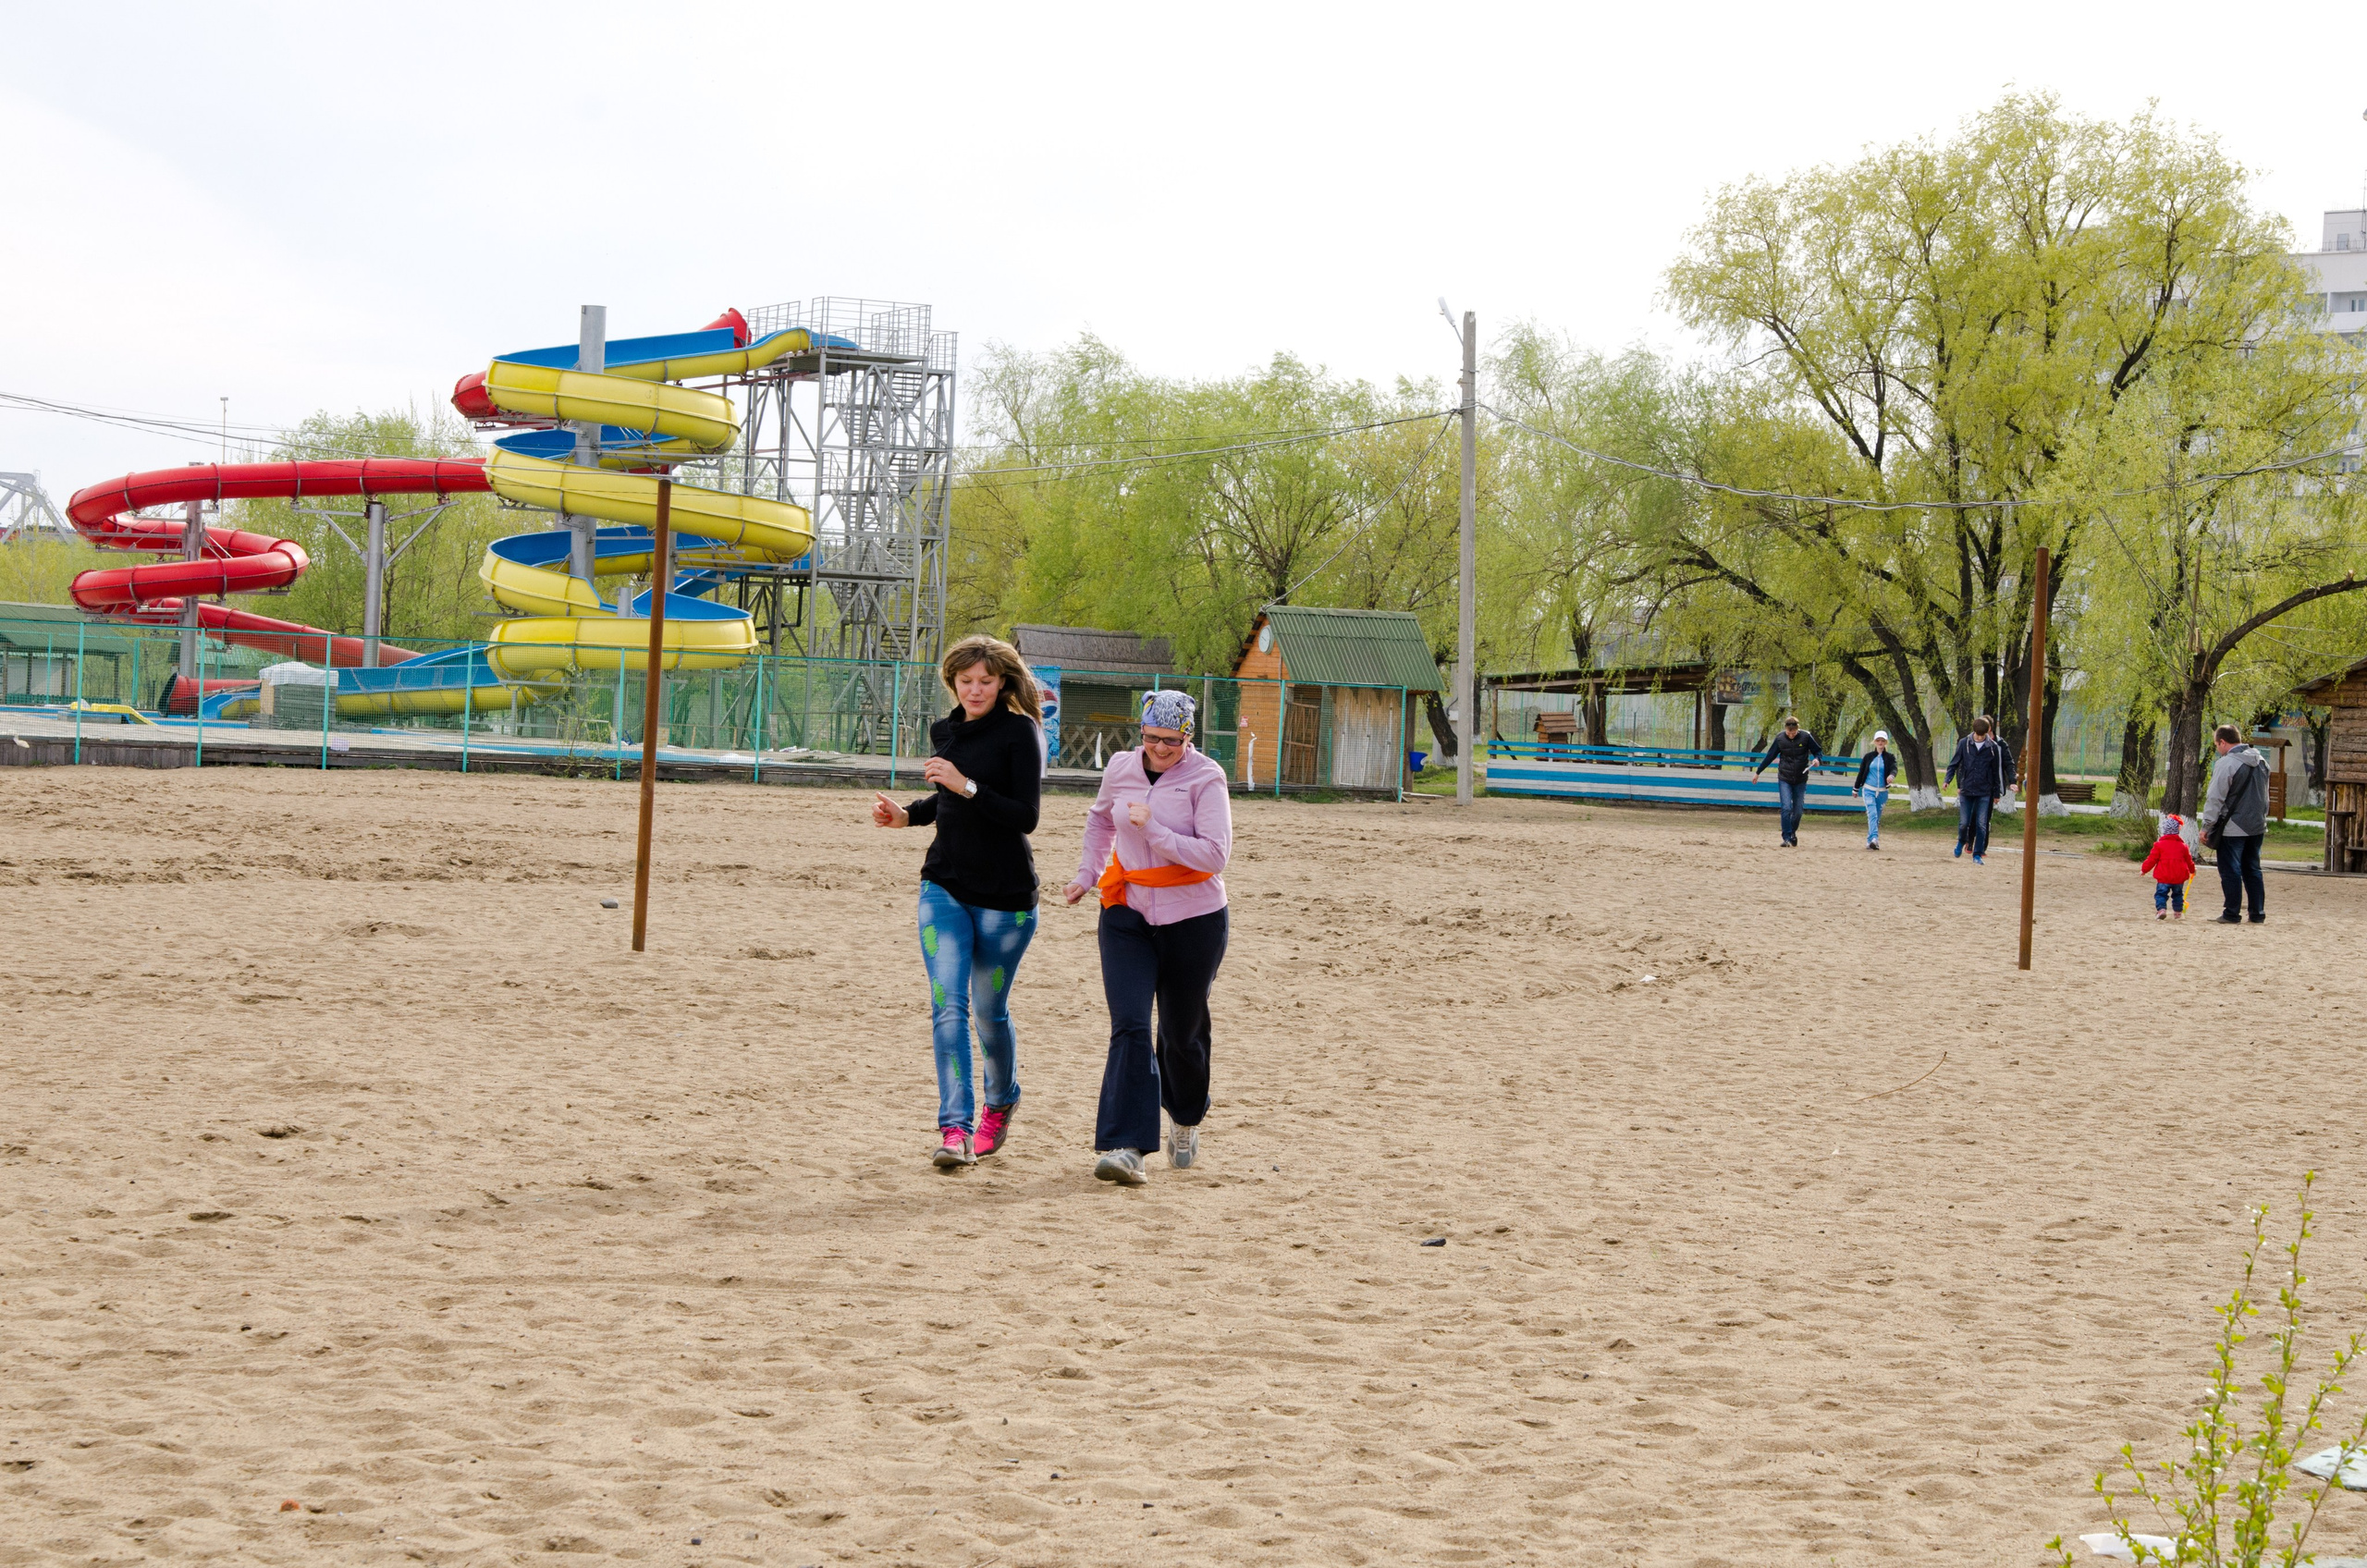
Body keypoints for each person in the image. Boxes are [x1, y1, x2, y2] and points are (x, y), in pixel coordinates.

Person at [869, 634, 1046, 1170]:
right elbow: (946, 800)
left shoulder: (1021, 733)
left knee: (989, 1013)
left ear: (1003, 683)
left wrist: (966, 786)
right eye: (966, 681)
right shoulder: (944, 731)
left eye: (986, 681)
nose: (975, 690)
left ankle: (1002, 1100)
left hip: (1007, 900)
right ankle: (954, 1131)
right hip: (942, 884)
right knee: (949, 1008)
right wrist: (908, 816)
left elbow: (1025, 816)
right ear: (953, 681)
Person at [1062, 690, 1233, 1187]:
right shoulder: (1119, 767)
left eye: (1171, 741)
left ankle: (1185, 1117)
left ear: (1188, 737)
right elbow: (1099, 820)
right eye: (1152, 738)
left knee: (1181, 1034)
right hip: (1126, 912)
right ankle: (1126, 1146)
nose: (1159, 749)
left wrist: (1155, 829)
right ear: (1141, 732)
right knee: (1131, 1025)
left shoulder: (1207, 778)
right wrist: (1087, 873)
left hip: (1194, 918)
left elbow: (1214, 856)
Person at [2199, 724, 2271, 925]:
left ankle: (2231, 913)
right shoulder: (2262, 761)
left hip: (2233, 827)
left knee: (2230, 870)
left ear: (2223, 742)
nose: (2217, 749)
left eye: (2216, 745)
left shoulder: (2227, 763)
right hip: (2256, 825)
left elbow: (2215, 798)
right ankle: (2257, 914)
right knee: (2253, 869)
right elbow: (2265, 797)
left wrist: (2207, 826)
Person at [1944, 716, 2014, 865]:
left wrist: (1996, 793)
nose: (1981, 738)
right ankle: (1961, 841)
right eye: (1979, 735)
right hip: (1967, 790)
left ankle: (1977, 854)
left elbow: (1995, 772)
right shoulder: (1964, 743)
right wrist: (1947, 780)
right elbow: (1954, 764)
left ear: (1988, 731)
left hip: (1984, 792)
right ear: (1974, 731)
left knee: (1982, 825)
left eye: (1983, 735)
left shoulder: (1993, 747)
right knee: (1964, 823)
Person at [1751, 716, 1822, 846]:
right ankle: (1786, 838)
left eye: (1793, 732)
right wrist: (1758, 772)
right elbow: (1770, 756)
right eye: (1789, 732)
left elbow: (1818, 751)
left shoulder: (1806, 737)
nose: (1791, 735)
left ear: (1798, 729)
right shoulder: (1780, 739)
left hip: (1801, 778)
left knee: (1798, 810)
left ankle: (1792, 833)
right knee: (1786, 807)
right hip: (1785, 777)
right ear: (1785, 729)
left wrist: (1817, 759)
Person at [2140, 813, 2196, 921]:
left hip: (2164, 876)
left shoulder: (2159, 845)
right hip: (2179, 877)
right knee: (2178, 895)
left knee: (2161, 894)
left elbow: (2152, 859)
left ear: (2164, 831)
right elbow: (2189, 860)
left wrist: (2144, 869)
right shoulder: (2183, 846)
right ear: (2178, 830)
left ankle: (2161, 910)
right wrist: (2192, 870)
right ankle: (2178, 913)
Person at [1853, 729, 1899, 851]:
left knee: (1877, 817)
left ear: (1885, 743)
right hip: (1869, 790)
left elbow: (1894, 768)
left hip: (1882, 791)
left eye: (1882, 741)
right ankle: (1874, 839)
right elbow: (1861, 772)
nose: (1880, 742)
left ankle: (1870, 841)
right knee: (1872, 814)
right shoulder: (1868, 757)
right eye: (1878, 740)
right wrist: (1856, 788)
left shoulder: (1890, 757)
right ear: (1874, 742)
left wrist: (1891, 776)